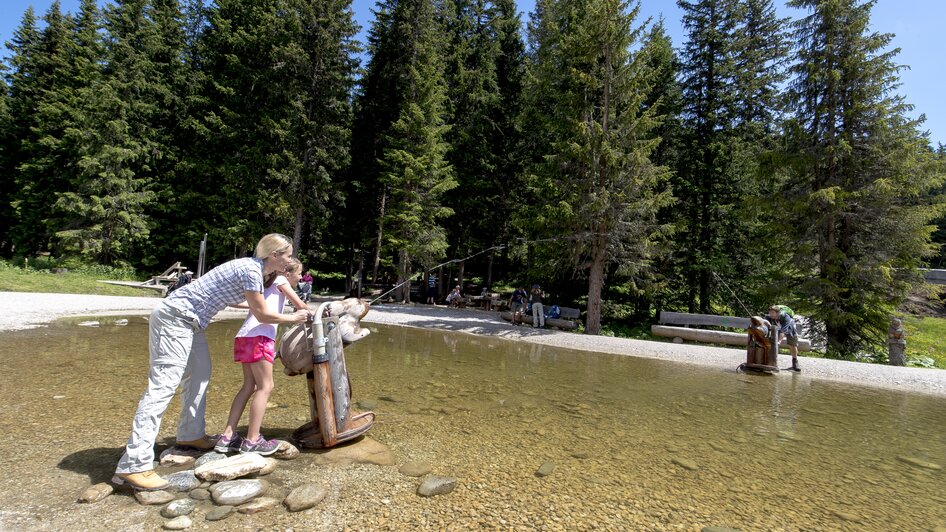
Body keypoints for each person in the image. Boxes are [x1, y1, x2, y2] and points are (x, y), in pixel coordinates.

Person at [112, 233, 309, 491]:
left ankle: (190, 435)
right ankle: (134, 465)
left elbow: (242, 303)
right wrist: (294, 319)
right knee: (163, 387)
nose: (289, 260)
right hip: (175, 317)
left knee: (200, 376)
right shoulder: (251, 270)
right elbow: (260, 313)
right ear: (274, 255)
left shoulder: (255, 272)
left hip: (193, 323)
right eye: (286, 254)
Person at [216, 258, 308, 455]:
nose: (301, 277)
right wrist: (318, 312)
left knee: (248, 386)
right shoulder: (280, 281)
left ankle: (227, 437)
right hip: (260, 336)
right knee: (266, 387)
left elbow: (244, 303)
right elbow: (301, 305)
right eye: (299, 273)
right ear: (288, 272)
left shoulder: (265, 285)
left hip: (244, 336)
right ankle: (252, 440)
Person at [768, 305, 800, 372]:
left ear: (778, 313)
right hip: (779, 327)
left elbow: (783, 331)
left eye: (772, 313)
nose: (771, 315)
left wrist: (779, 341)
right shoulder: (769, 317)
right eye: (770, 313)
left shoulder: (785, 317)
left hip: (790, 327)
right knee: (771, 343)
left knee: (792, 345)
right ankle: (771, 362)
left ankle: (795, 362)